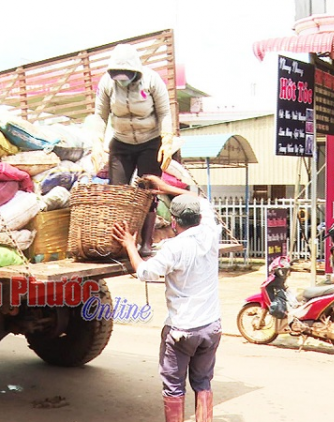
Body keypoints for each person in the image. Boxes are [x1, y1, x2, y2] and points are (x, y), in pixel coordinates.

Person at [112, 175, 221, 422]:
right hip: (211, 327)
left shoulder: (174, 248)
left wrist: (130, 243)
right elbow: (202, 200)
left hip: (183, 330)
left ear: (173, 221)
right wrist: (168, 188)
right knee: (203, 381)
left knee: (174, 385)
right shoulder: (211, 232)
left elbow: (144, 272)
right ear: (198, 217)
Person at [94, 43, 175, 256]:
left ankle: (145, 243)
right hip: (121, 142)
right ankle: (118, 246)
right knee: (118, 194)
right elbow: (100, 115)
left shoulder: (152, 80)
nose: (122, 78)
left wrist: (166, 140)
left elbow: (165, 113)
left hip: (150, 142)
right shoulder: (107, 84)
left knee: (147, 192)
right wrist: (97, 144)